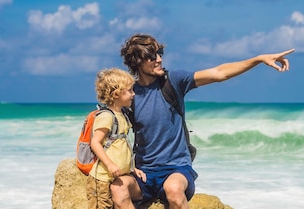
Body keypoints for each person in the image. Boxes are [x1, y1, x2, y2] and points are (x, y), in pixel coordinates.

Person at [114, 33, 294, 209]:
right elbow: (113, 133)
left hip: (176, 169)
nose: (159, 59)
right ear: (137, 61)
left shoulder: (173, 82)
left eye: (160, 54)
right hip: (144, 173)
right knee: (118, 190)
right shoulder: (130, 94)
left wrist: (259, 59)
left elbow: (219, 73)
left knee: (174, 190)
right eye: (152, 57)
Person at [87, 68, 144, 209]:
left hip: (117, 176)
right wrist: (110, 164)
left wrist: (132, 168)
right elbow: (95, 143)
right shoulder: (107, 116)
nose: (133, 94)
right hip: (102, 179)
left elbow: (122, 147)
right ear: (117, 93)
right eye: (130, 90)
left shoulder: (122, 115)